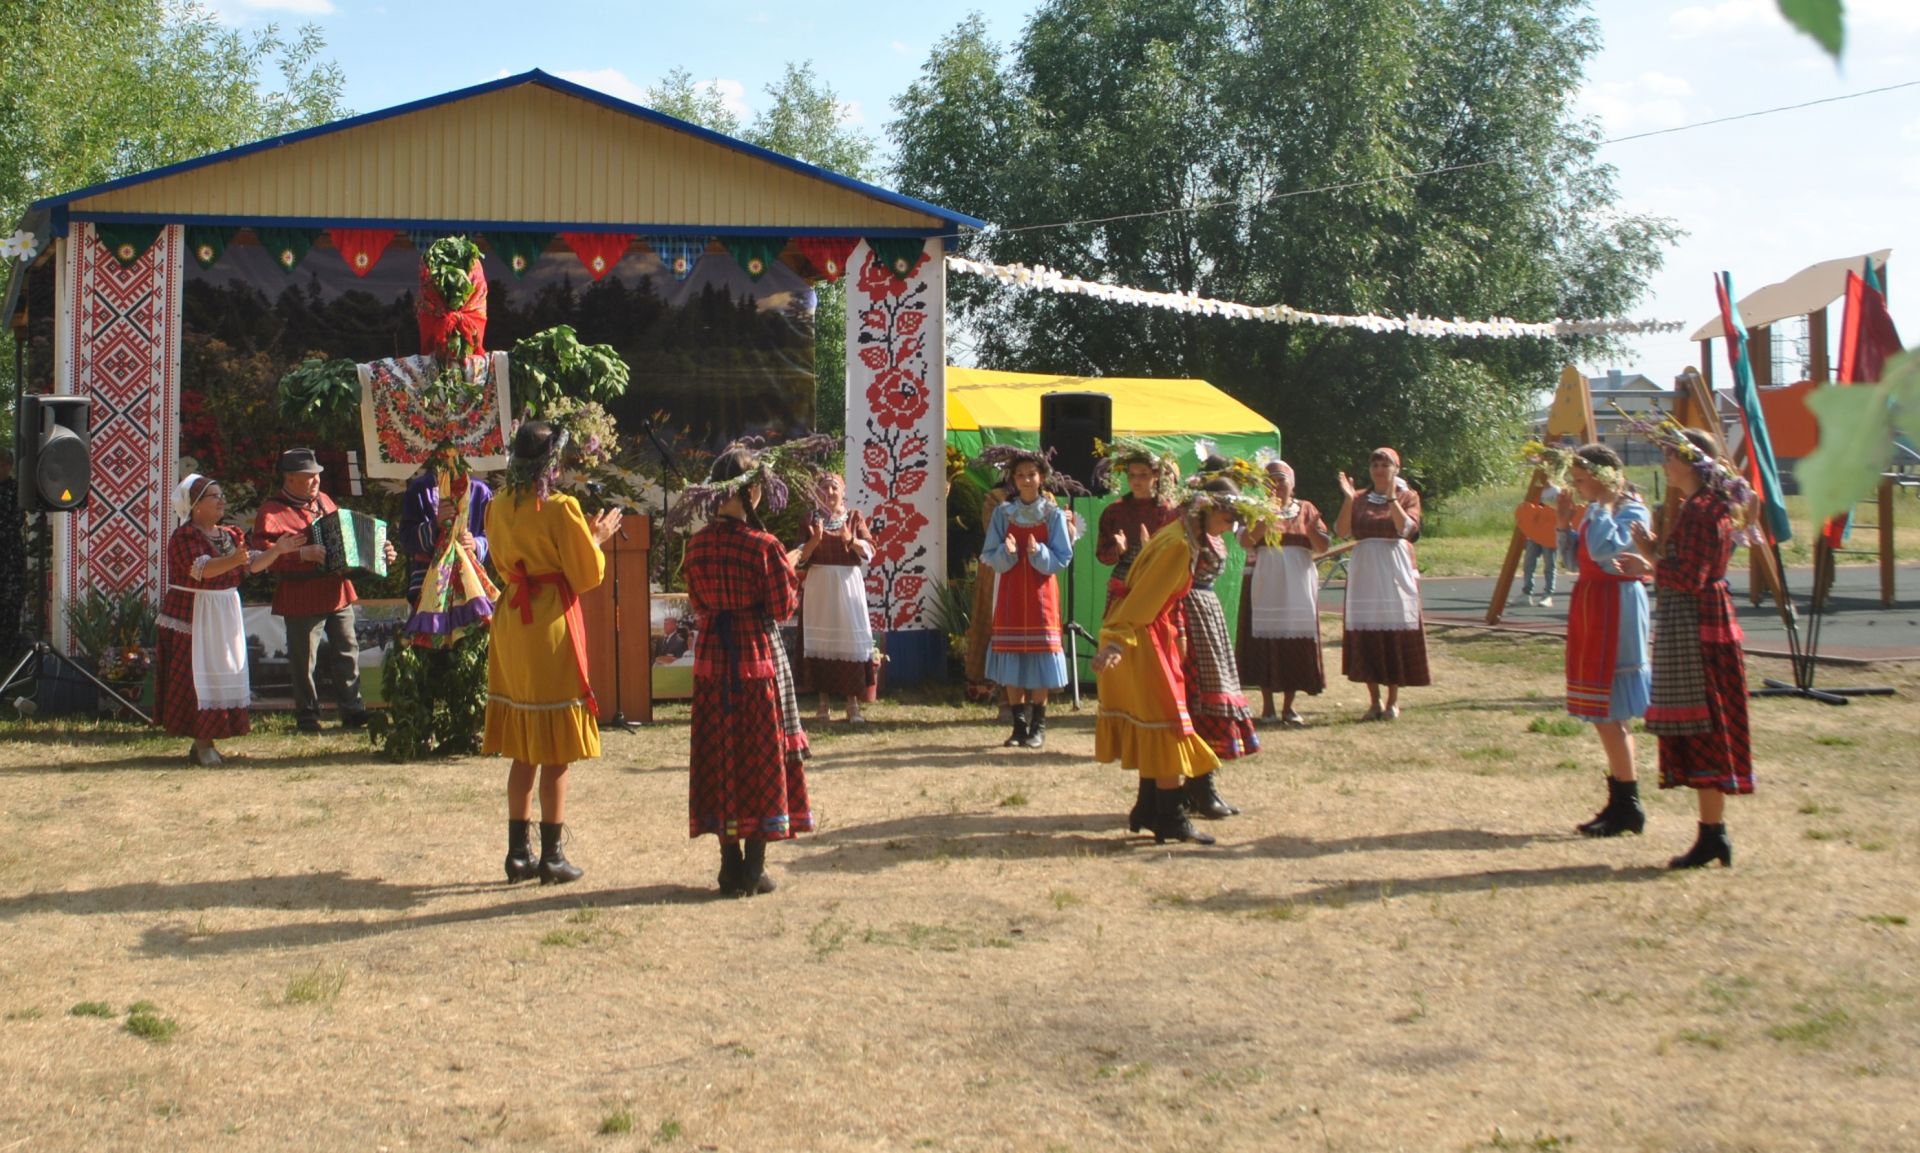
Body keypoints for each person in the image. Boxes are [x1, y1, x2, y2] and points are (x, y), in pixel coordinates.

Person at [482, 422, 621, 885]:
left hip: (511, 622)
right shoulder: (561, 507)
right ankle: (552, 857)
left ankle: (517, 854)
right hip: (548, 624)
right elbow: (585, 574)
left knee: (524, 746)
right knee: (555, 748)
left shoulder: (498, 504)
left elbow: (503, 562)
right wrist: (596, 538)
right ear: (552, 463)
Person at [678, 442, 820, 897]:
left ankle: (728, 866)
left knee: (720, 756)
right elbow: (781, 608)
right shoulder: (765, 546)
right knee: (759, 758)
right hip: (757, 658)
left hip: (711, 664)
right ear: (753, 491)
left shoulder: (696, 547)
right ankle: (753, 868)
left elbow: (699, 606)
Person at [1091, 474, 1265, 845]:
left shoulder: (1177, 535)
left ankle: (1148, 806)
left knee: (1153, 723)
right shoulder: (1178, 547)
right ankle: (1169, 815)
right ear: (1204, 510)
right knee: (1169, 725)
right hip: (1147, 638)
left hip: (1154, 635)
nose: (1229, 526)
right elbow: (1145, 598)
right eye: (1226, 517)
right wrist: (1118, 642)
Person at [1624, 424, 1754, 870]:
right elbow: (1683, 565)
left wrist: (1650, 562)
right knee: (1703, 731)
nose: (1664, 463)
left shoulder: (1703, 509)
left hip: (1699, 628)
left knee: (1706, 729)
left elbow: (1688, 576)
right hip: (1699, 624)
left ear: (1691, 460)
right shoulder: (1702, 506)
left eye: (1669, 456)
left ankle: (1713, 835)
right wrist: (1653, 549)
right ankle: (1711, 834)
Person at [157, 475, 303, 765]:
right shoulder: (184, 537)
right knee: (197, 677)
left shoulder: (231, 534)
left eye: (222, 494)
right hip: (195, 613)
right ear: (196, 507)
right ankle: (202, 742)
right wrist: (235, 560)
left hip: (223, 611)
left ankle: (206, 739)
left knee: (221, 671)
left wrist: (276, 551)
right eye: (214, 496)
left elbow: (252, 565)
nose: (221, 500)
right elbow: (202, 571)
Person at [1553, 445, 1651, 837]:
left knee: (1611, 711)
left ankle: (1628, 803)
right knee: (1602, 713)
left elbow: (1605, 551)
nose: (1576, 488)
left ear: (1603, 477)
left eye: (1580, 480)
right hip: (1592, 603)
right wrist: (1563, 524)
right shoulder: (1601, 510)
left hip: (1618, 606)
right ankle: (1621, 799)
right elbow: (1576, 560)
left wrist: (1601, 508)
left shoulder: (1631, 510)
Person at [250, 448, 385, 733]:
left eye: (317, 475)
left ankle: (353, 710)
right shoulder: (271, 512)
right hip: (301, 594)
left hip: (338, 591)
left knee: (348, 651)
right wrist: (301, 555)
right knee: (303, 660)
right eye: (308, 477)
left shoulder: (325, 501)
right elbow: (261, 557)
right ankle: (307, 716)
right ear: (289, 478)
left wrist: (379, 553)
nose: (315, 481)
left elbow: (347, 544)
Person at [1177, 459, 1268, 816]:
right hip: (1190, 616)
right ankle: (1199, 786)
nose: (1232, 524)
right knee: (1198, 698)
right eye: (1227, 516)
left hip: (1207, 615)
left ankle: (1198, 785)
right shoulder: (1186, 538)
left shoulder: (1209, 536)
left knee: (1215, 695)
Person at [979, 447, 1077, 749]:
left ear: (1042, 478)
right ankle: (1018, 726)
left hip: (1040, 594)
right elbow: (989, 554)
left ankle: (1039, 726)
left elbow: (1063, 557)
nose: (1025, 480)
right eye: (1020, 475)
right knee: (1011, 658)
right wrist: (1005, 554)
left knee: (1039, 658)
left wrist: (1039, 553)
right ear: (1013, 479)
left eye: (1031, 475)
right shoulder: (1002, 513)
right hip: (1010, 593)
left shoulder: (1053, 515)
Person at [1334, 447, 1429, 719]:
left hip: (1394, 567)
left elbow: (1406, 530)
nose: (1379, 469)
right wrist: (1349, 499)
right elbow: (1342, 532)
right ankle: (1374, 700)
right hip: (1365, 569)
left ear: (1396, 469)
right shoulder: (1360, 498)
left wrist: (1391, 500)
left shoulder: (1407, 496)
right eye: (1374, 464)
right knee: (1367, 630)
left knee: (1394, 629)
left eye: (1384, 464)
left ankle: (1393, 700)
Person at [1237, 458, 1330, 727]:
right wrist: (1268, 516)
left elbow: (1322, 546)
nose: (1276, 485)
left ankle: (1289, 707)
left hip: (1298, 584)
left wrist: (1313, 530)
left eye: (1281, 480)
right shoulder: (1255, 509)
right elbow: (1245, 541)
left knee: (1295, 643)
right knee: (1266, 643)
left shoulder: (1307, 508)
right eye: (1270, 481)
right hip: (1268, 582)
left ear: (1292, 483)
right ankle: (1267, 707)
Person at [794, 473, 877, 723]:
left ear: (843, 491)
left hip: (847, 585)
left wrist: (850, 540)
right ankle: (823, 704)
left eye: (834, 488)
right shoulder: (810, 519)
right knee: (822, 643)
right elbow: (799, 556)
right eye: (824, 488)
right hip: (819, 586)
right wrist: (816, 539)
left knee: (848, 639)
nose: (829, 492)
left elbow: (870, 550)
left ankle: (853, 705)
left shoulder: (853, 517)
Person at [1093, 440, 1182, 616]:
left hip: (1155, 578)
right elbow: (1102, 555)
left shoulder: (1168, 510)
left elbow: (1178, 553)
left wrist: (1151, 548)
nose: (1136, 480)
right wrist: (1119, 550)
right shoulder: (1114, 511)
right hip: (1124, 578)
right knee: (1119, 631)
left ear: (1155, 476)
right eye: (1132, 475)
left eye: (1143, 475)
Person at [1518, 482, 1561, 607]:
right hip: (1535, 532)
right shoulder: (1536, 490)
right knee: (1529, 563)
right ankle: (1526, 593)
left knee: (1549, 564)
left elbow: (1558, 512)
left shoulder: (1556, 491)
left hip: (1549, 533)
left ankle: (1547, 595)